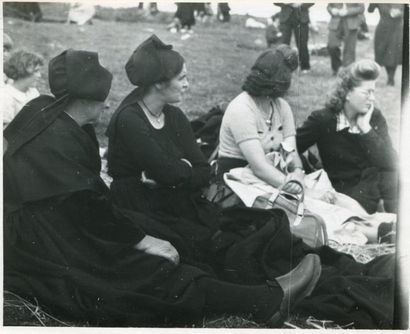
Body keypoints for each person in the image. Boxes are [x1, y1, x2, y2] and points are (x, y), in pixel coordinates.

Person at [4, 48, 323, 327]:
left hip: (65, 225)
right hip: (48, 242)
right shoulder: (57, 140)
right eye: (101, 100)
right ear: (86, 99)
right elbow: (85, 204)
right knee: (146, 271)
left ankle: (253, 287)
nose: (105, 108)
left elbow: (88, 201)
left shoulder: (54, 118)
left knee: (169, 239)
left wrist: (142, 232)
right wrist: (140, 240)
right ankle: (268, 301)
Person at [217, 45, 324, 199]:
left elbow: (291, 152)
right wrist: (302, 191)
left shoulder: (281, 106)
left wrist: (298, 173)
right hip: (238, 179)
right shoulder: (241, 109)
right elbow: (259, 167)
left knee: (326, 198)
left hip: (272, 176)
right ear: (280, 82)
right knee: (309, 205)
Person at [296, 60, 398, 214]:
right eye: (366, 92)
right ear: (347, 93)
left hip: (379, 187)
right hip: (349, 195)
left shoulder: (374, 117)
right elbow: (292, 146)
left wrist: (366, 129)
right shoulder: (323, 120)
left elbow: (391, 163)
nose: (372, 98)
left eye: (373, 92)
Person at [3, 50, 44, 128]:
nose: (39, 75)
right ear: (22, 71)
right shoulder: (6, 96)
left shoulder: (33, 92)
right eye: (36, 71)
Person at [368, 4, 404, 86]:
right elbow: (370, 10)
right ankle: (376, 77)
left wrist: (400, 13)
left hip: (397, 29)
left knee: (393, 53)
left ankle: (391, 78)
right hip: (382, 28)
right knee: (380, 53)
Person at [327, 3, 365, 76]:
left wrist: (347, 11)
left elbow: (361, 8)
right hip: (335, 22)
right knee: (332, 46)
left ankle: (347, 71)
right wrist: (332, 10)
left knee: (349, 49)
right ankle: (336, 68)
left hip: (351, 23)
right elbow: (329, 6)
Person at [274, 3, 314, 72]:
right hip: (286, 17)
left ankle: (305, 67)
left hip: (302, 17)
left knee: (302, 43)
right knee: (283, 44)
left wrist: (301, 3)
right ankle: (281, 67)